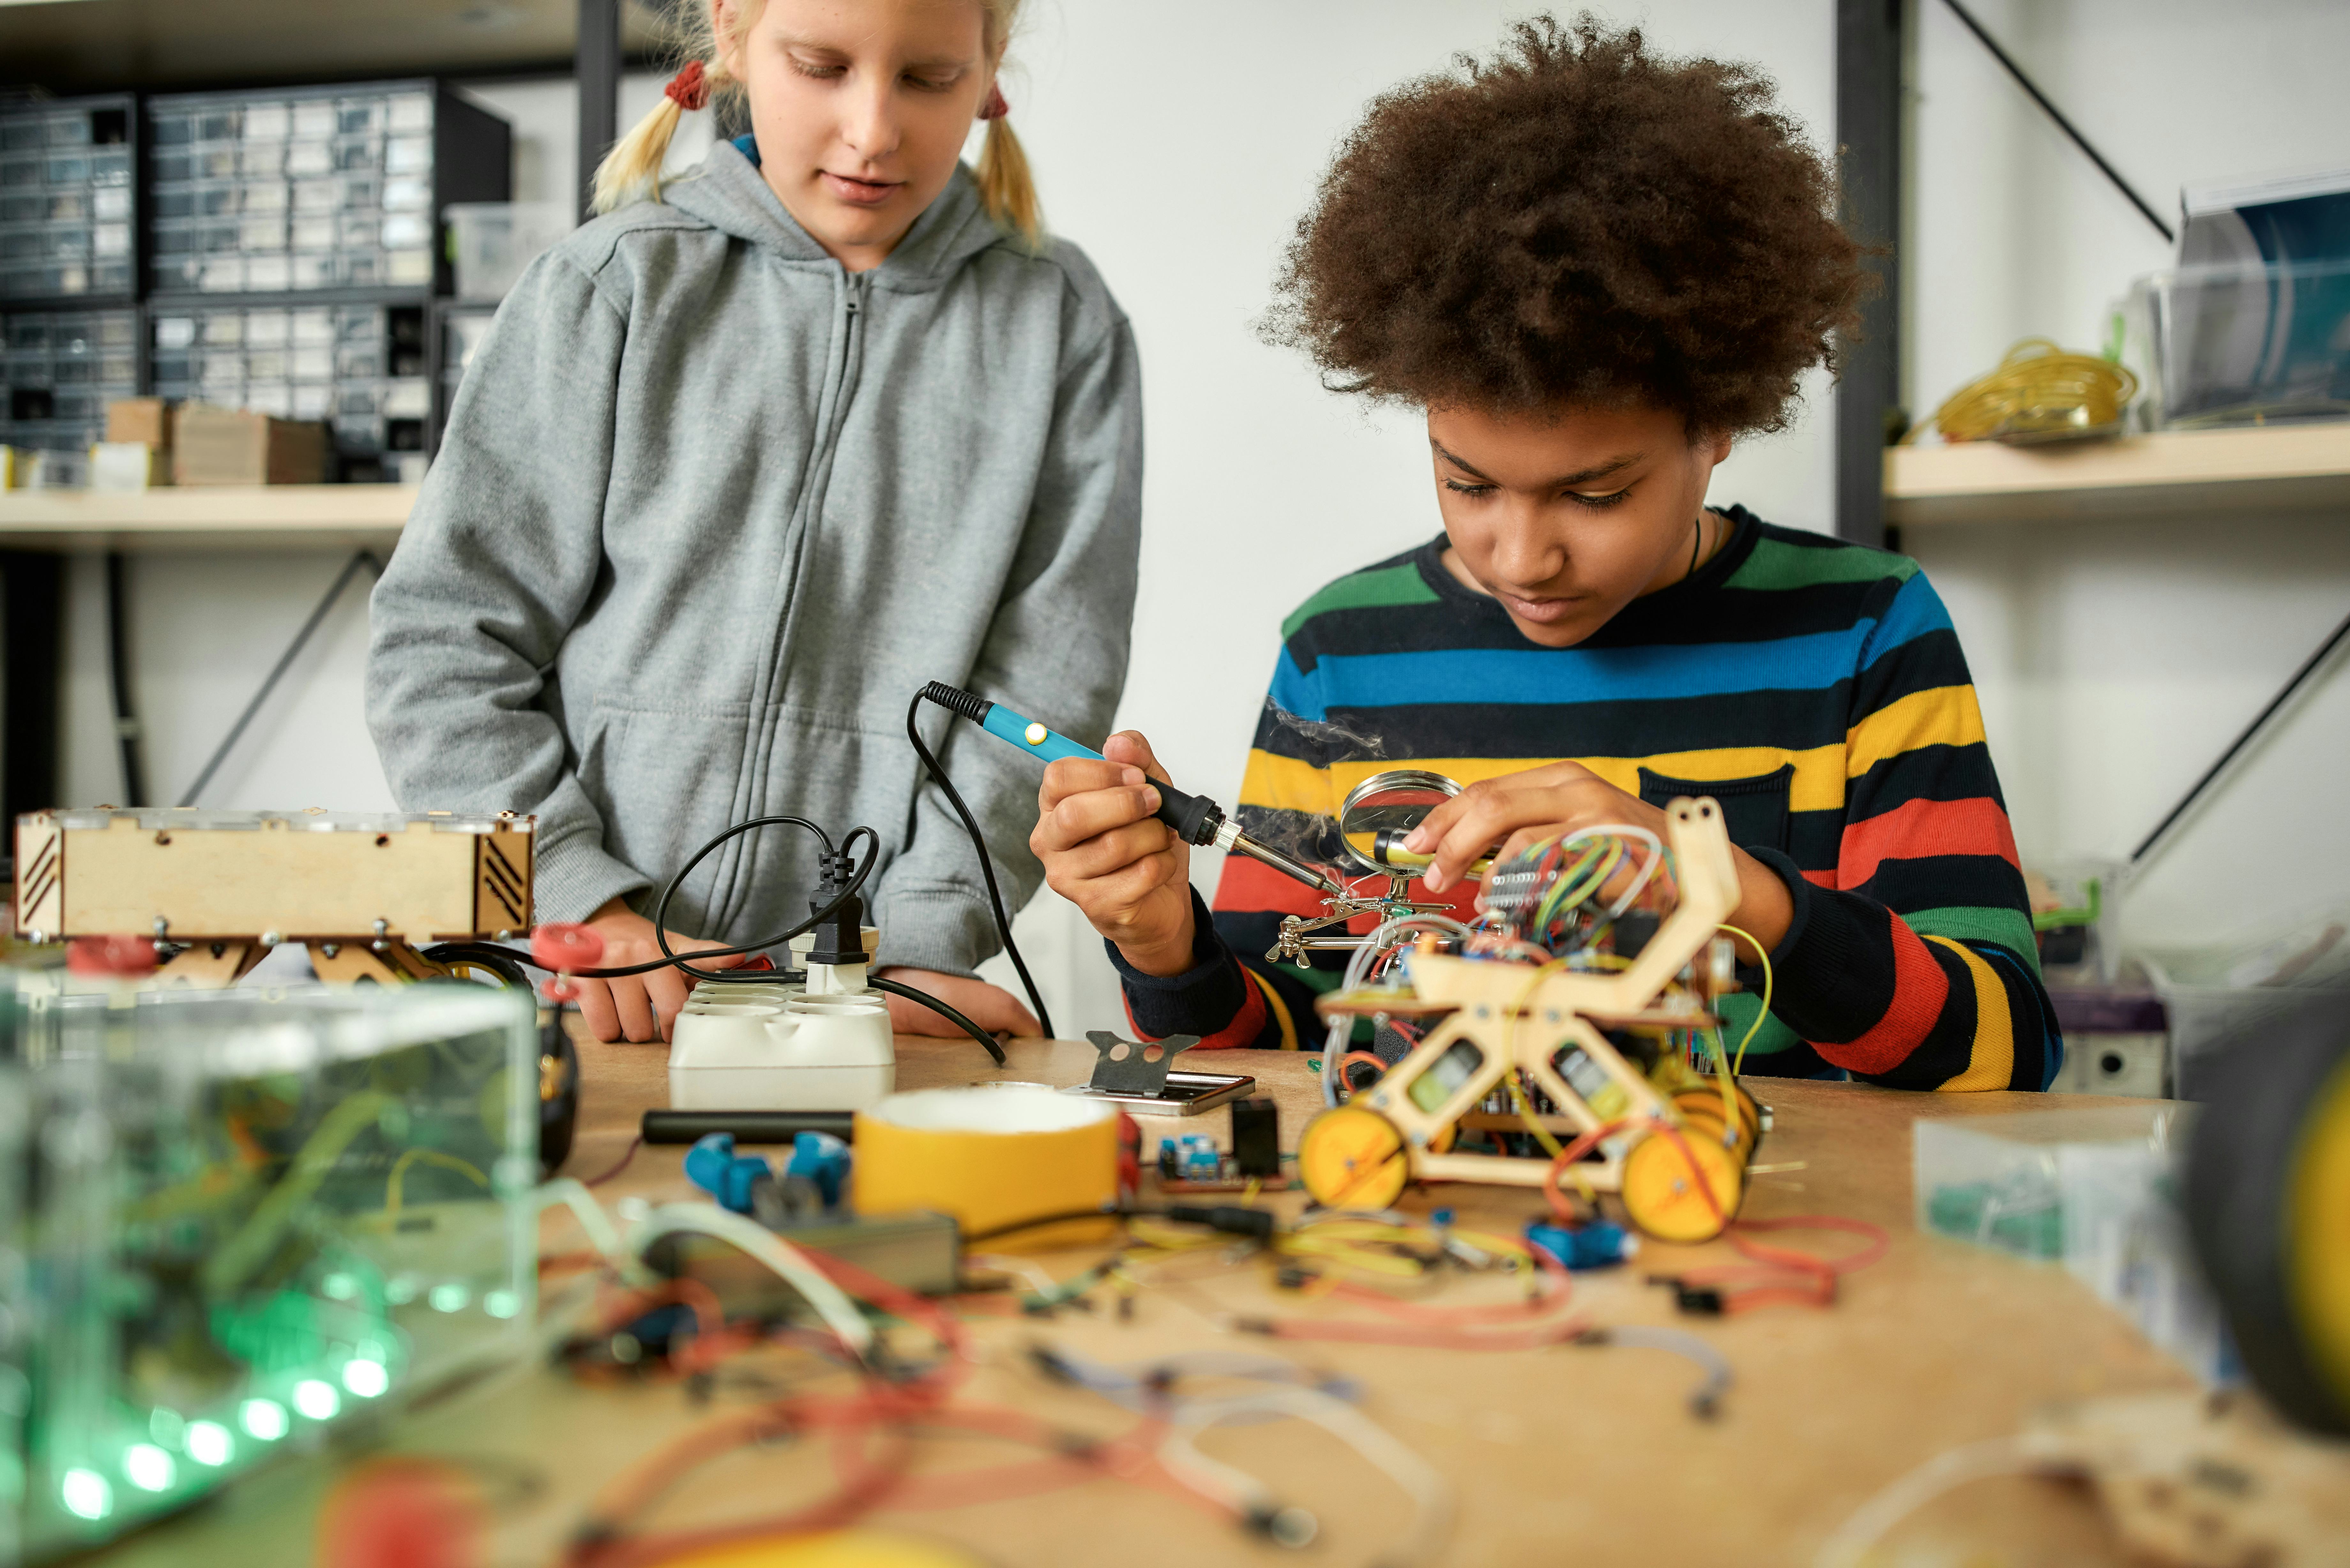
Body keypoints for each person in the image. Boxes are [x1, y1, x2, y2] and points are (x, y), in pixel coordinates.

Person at [1029, 17, 2058, 1090]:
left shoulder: (1864, 630)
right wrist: (1163, 942)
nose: (1521, 558)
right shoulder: (1343, 650)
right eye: (1467, 483)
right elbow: (1276, 1058)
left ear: (1716, 430)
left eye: (1595, 494)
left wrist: (1717, 882)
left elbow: (2004, 1051)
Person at [368, 0, 1140, 1044]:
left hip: (869, 1004)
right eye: (822, 66)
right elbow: (442, 642)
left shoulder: (1060, 321)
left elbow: (1044, 688)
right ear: (731, 36)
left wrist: (919, 940)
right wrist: (577, 896)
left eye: (928, 79)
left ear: (991, 63)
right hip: (576, 989)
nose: (873, 132)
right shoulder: (612, 283)